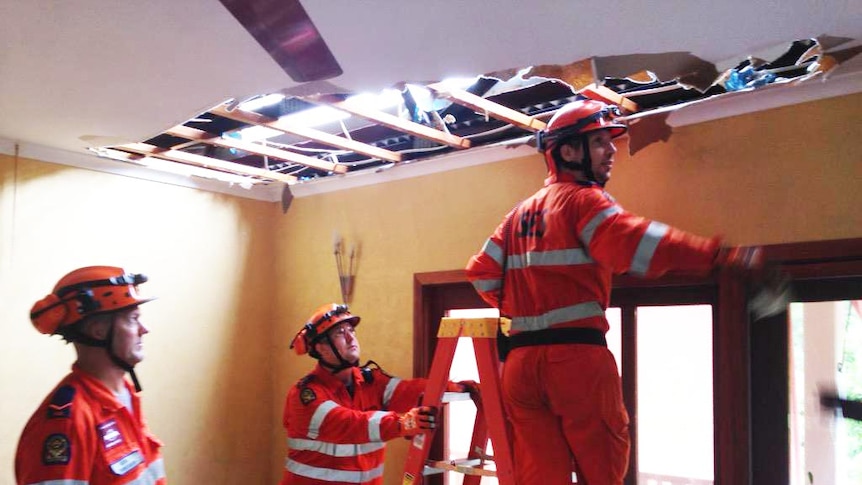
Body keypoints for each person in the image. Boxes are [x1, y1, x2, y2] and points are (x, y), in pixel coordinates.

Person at [465, 99, 762, 485]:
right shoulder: (585, 201)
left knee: (541, 476)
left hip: (520, 365)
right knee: (601, 468)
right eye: (601, 142)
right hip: (576, 362)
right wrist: (718, 255)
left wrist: (523, 313)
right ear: (568, 151)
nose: (611, 152)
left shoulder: (519, 214)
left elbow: (481, 274)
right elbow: (638, 244)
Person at [281, 303, 478, 485]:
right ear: (321, 348)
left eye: (351, 330)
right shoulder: (305, 396)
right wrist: (403, 424)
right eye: (340, 333)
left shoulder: (369, 381)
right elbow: (350, 424)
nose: (351, 338)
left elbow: (408, 390)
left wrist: (453, 387)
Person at [16, 266, 167, 484]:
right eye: (133, 318)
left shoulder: (124, 394)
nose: (145, 329)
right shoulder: (68, 422)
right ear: (98, 330)